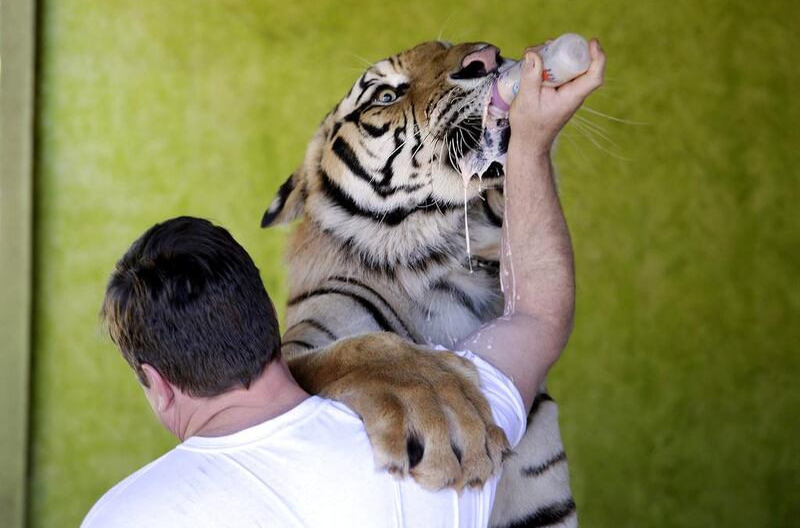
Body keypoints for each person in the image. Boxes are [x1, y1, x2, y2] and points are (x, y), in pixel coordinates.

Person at [81, 41, 605, 528]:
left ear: (159, 385)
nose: (478, 57)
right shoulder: (479, 397)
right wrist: (533, 147)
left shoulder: (122, 514)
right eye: (384, 97)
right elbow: (539, 315)